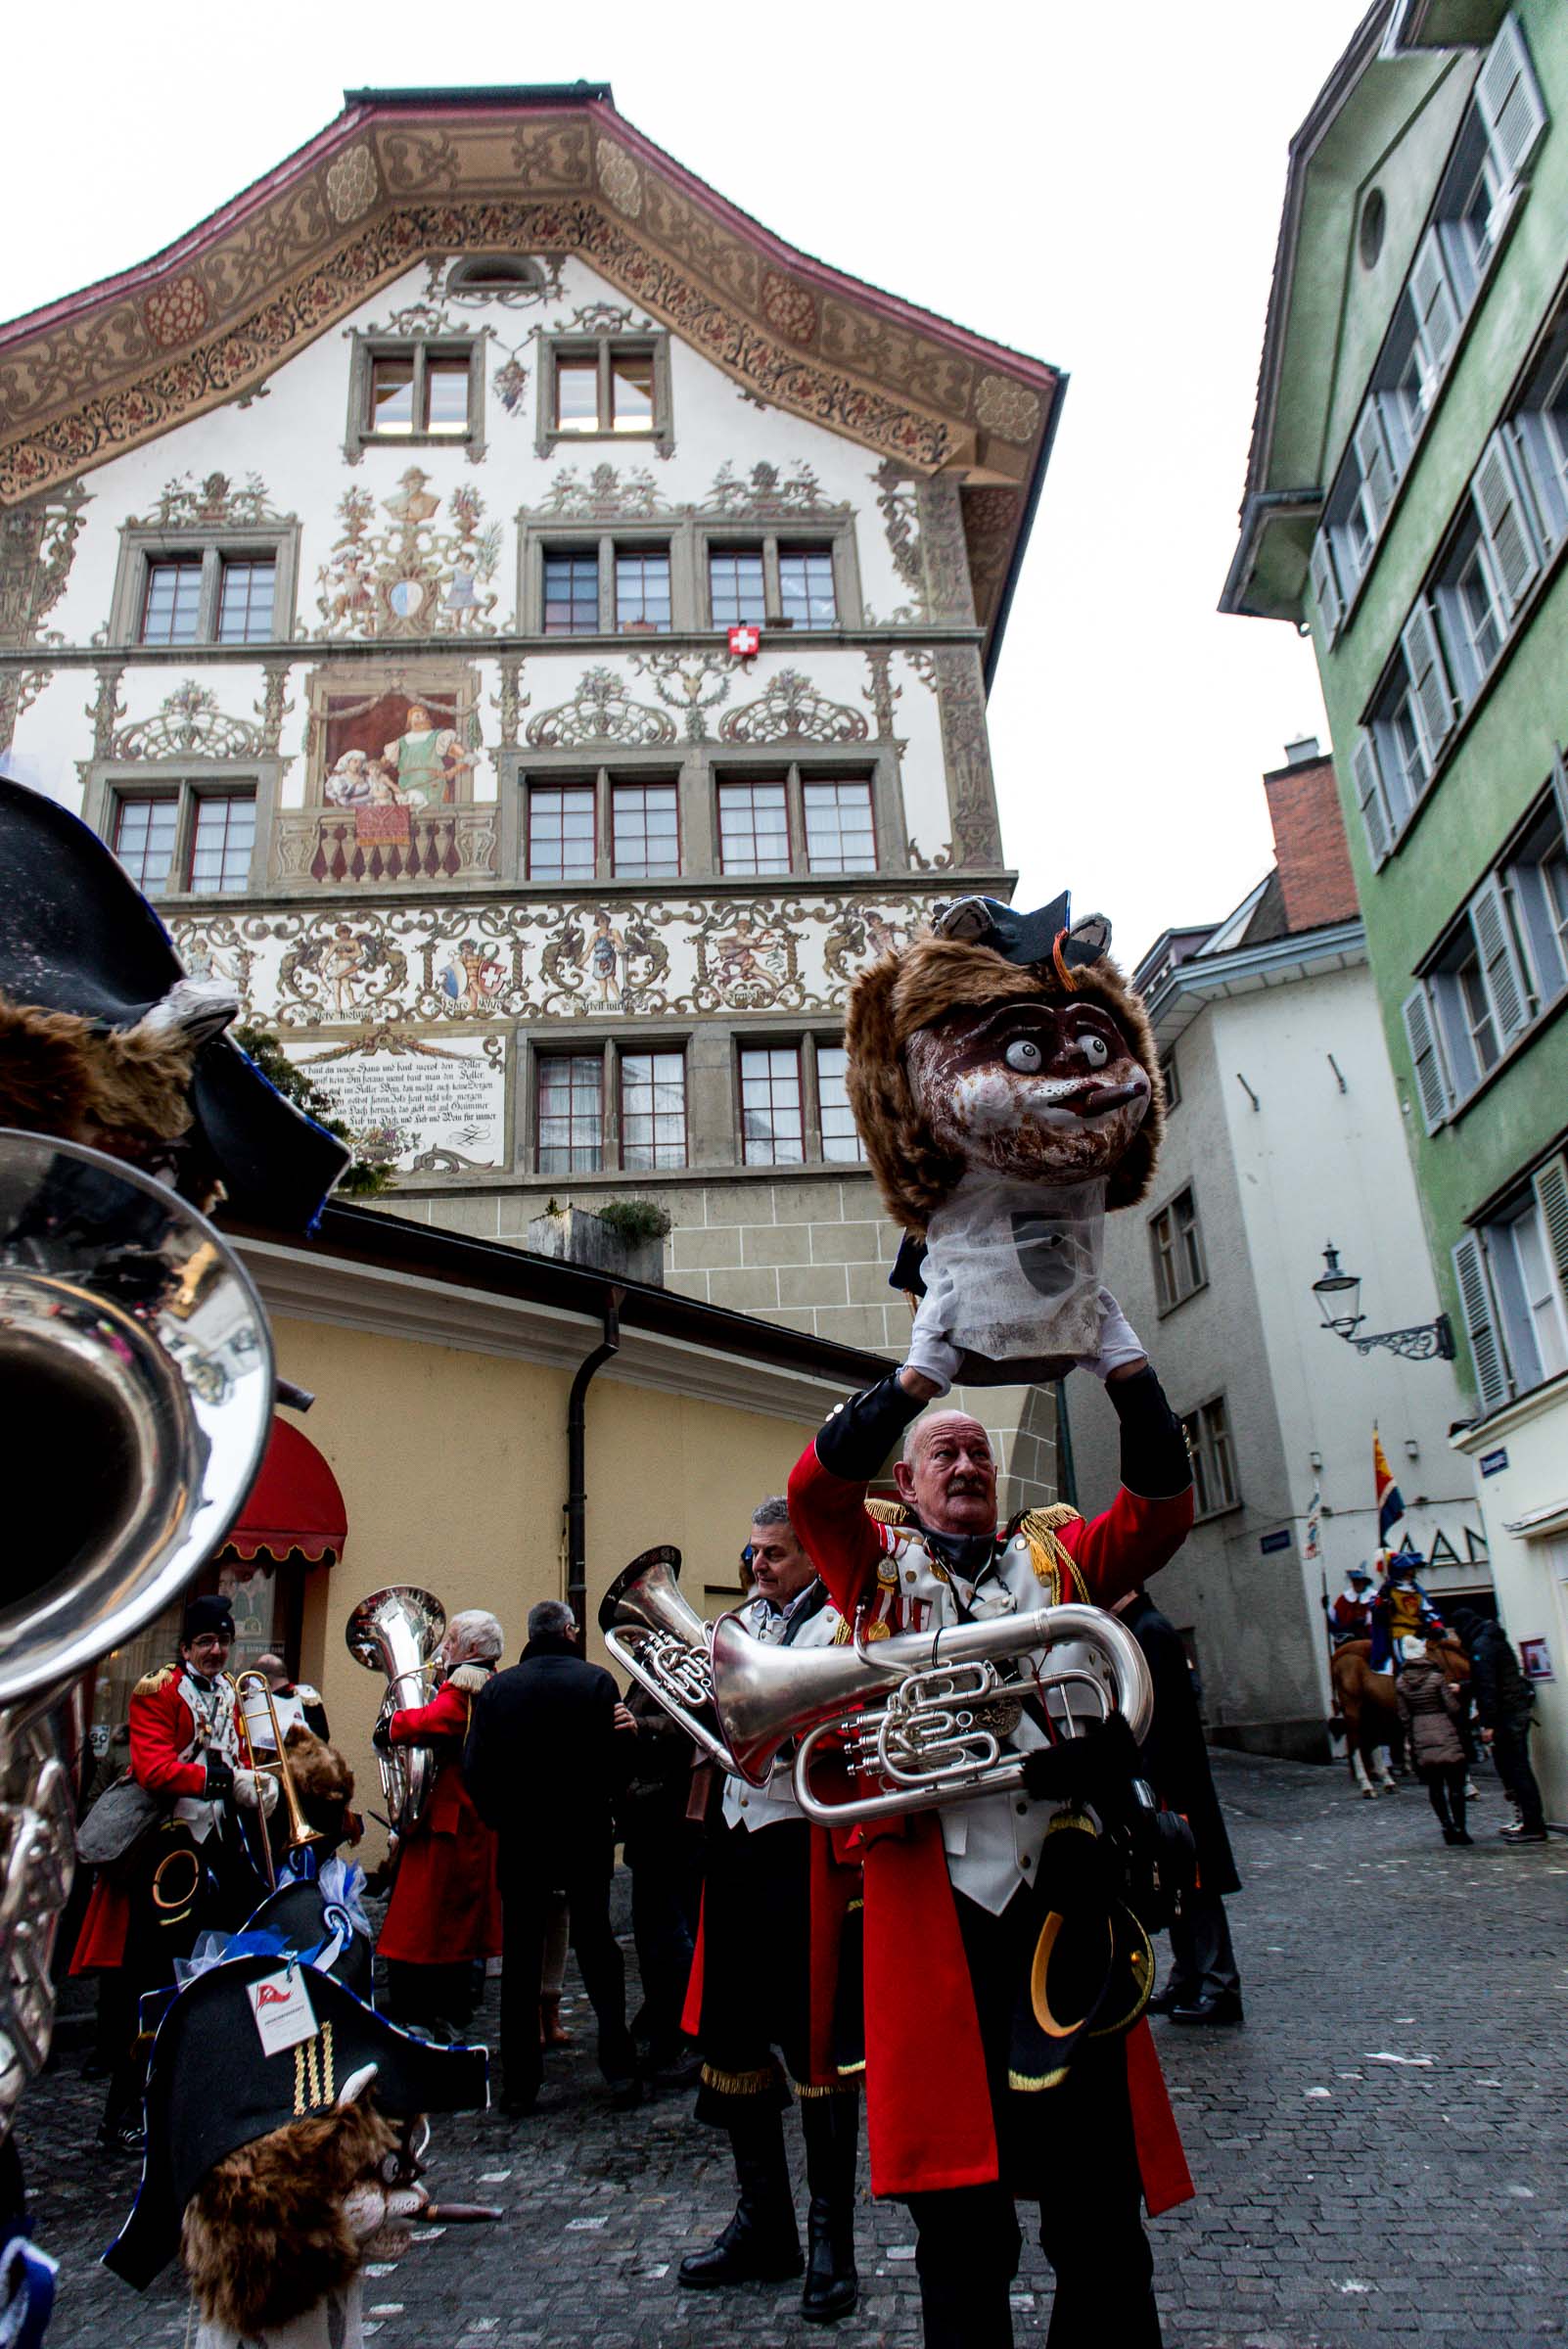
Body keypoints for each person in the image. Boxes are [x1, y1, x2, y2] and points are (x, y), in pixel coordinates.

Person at [786, 1329, 1196, 2349]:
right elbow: (812, 1494)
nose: (968, 1465)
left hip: (1066, 1909)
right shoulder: (873, 1567)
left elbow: (1158, 1513)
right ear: (910, 1486)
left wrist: (1127, 1372)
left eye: (979, 1453)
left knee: (1101, 2218)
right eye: (944, 1454)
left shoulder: (1055, 1557)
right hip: (941, 1927)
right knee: (962, 2238)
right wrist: (918, 1376)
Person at [677, 1497, 861, 2325]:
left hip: (804, 1847)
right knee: (733, 2038)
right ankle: (765, 2224)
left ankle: (832, 2240)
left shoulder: (844, 1624)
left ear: (812, 1558)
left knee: (815, 2039)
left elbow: (846, 1725)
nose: (758, 1566)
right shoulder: (736, 1624)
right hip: (737, 1845)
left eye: (775, 1555)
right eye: (753, 1553)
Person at [70, 1595, 275, 2155]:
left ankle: (223, 2090)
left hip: (215, 1842)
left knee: (244, 1952)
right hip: (164, 1851)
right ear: (186, 1647)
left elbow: (232, 1756)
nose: (216, 1651)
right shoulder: (158, 1690)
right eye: (206, 1642)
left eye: (224, 1642)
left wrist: (253, 1782)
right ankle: (123, 2113)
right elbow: (152, 1767)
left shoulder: (231, 1691)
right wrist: (214, 1782)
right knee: (151, 1981)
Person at [463, 1599, 640, 2115]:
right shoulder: (596, 1682)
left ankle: (520, 2085)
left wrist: (503, 1818)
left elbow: (476, 1769)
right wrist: (606, 1798)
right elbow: (617, 1765)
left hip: (521, 1838)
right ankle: (620, 2070)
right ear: (568, 1631)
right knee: (599, 1951)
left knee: (521, 1958)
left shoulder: (497, 1688)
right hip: (583, 1833)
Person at [1115, 1588, 1243, 2027]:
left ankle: (1219, 1985)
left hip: (1175, 1783)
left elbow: (1155, 1718)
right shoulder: (1141, 1628)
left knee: (1196, 1885)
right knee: (1175, 1886)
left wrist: (1145, 1780)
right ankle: (1188, 1977)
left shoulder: (1149, 1631)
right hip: (1169, 1779)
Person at [376, 1608, 504, 2035]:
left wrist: (392, 1726)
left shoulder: (467, 1685)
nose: (443, 1647)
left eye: (451, 1640)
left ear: (469, 1649)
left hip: (451, 1823)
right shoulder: (480, 1681)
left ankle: (426, 2008)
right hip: (460, 1821)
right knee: (439, 1924)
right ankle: (442, 2003)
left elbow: (437, 1720)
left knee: (427, 1924)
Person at [619, 1681, 703, 2082]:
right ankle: (665, 2017)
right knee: (654, 1932)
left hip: (670, 1814)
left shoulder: (673, 1669)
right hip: (649, 1815)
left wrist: (639, 1723)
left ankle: (690, 2030)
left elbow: (691, 1724)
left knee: (671, 1932)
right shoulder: (644, 1672)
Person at [1452, 1609, 1549, 1843]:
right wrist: (1465, 1687)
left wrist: (1487, 1723)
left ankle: (1533, 1825)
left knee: (1516, 1769)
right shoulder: (1493, 1640)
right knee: (1517, 1768)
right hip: (1515, 1712)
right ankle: (1529, 1821)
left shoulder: (1481, 1646)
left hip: (1507, 1717)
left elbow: (1488, 1687)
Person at [1395, 1634, 1471, 1845]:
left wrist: (1412, 1736)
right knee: (1455, 1784)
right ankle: (1460, 1828)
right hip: (1444, 1730)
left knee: (1435, 1786)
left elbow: (1404, 1715)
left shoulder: (1401, 1683)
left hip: (1421, 1733)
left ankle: (1446, 1826)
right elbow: (1452, 1708)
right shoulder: (1437, 1678)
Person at [1326, 1566, 1375, 1647]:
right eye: (1354, 1581)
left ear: (1364, 1581)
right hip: (1349, 1639)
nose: (1356, 1583)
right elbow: (1335, 1618)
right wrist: (1327, 1606)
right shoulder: (1344, 1598)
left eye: (1358, 1580)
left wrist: (1366, 1621)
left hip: (1369, 1638)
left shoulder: (1374, 1597)